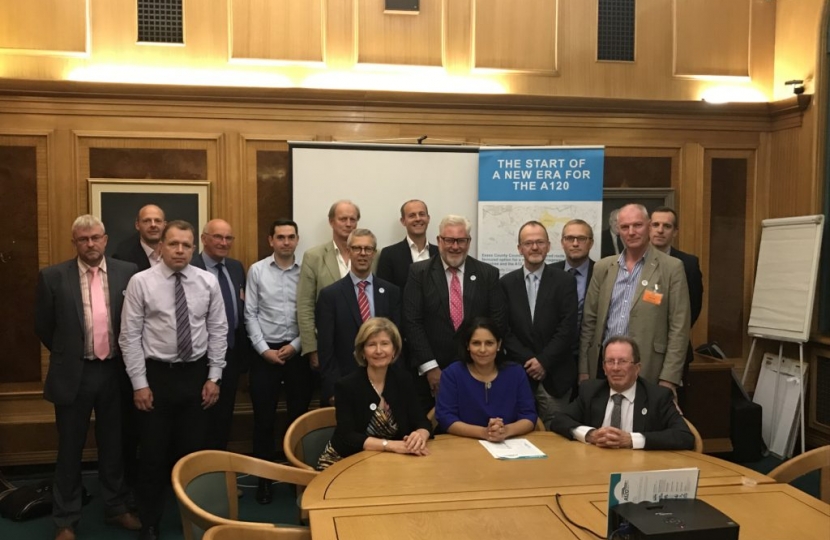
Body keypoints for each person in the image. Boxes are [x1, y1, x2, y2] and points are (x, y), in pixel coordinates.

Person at [119, 220, 227, 540]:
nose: (180, 250)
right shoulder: (141, 282)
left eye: (186, 245)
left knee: (192, 456)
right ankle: (150, 522)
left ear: (194, 248)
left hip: (195, 377)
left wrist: (214, 377)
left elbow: (218, 330)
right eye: (174, 244)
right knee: (152, 456)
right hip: (156, 378)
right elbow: (129, 336)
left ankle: (192, 522)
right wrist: (139, 383)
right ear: (162, 246)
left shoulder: (207, 282)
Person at [35, 215, 141, 540]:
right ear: (75, 243)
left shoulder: (128, 273)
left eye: (96, 237)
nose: (91, 244)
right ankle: (65, 518)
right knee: (70, 448)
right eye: (83, 239)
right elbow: (45, 327)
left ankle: (116, 507)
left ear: (106, 239)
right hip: (74, 374)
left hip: (115, 372)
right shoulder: (52, 277)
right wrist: (72, 354)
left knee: (114, 444)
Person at [579, 204, 690, 392]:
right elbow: (589, 321)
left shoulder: (672, 268)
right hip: (604, 368)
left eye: (637, 225)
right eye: (624, 227)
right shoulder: (603, 267)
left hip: (649, 368)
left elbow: (679, 328)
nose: (631, 232)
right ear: (618, 231)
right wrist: (584, 369)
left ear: (648, 226)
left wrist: (669, 379)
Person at [403, 215, 507, 411]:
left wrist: (479, 365)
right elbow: (412, 321)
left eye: (461, 240)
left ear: (469, 242)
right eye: (449, 240)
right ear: (439, 240)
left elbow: (497, 322)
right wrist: (430, 367)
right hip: (431, 374)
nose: (455, 246)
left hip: (476, 371)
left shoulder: (488, 274)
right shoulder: (419, 273)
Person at [244, 219, 312, 504]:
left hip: (298, 353)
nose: (286, 242)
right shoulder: (257, 271)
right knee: (264, 420)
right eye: (280, 237)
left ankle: (299, 479)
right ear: (271, 240)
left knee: (299, 419)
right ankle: (265, 481)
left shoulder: (307, 272)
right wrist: (264, 350)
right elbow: (250, 313)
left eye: (291, 237)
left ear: (297, 240)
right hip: (265, 355)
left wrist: (296, 346)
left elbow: (312, 310)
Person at [316, 317, 431, 470]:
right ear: (362, 352)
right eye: (371, 345)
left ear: (394, 350)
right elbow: (347, 435)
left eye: (385, 344)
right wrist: (389, 445)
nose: (378, 351)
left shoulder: (404, 380)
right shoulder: (346, 386)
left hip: (389, 462)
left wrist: (420, 435)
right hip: (345, 462)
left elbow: (422, 421)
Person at [548, 336, 694, 450]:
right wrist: (590, 435)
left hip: (640, 470)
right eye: (610, 362)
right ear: (604, 368)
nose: (615, 368)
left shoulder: (657, 396)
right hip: (595, 466)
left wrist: (631, 440)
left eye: (623, 361)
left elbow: (684, 436)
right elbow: (559, 420)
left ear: (637, 368)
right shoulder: (591, 391)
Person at [500, 221, 578, 425]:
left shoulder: (565, 281)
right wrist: (530, 361)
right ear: (519, 248)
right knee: (517, 430)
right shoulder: (506, 283)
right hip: (519, 374)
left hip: (556, 376)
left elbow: (567, 327)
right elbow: (504, 330)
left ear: (549, 246)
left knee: (557, 436)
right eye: (528, 243)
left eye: (540, 242)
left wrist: (543, 361)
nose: (534, 247)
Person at [316, 229, 401, 405]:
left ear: (374, 253)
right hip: (345, 383)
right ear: (348, 252)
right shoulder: (330, 295)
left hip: (385, 382)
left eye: (368, 249)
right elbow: (326, 348)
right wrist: (333, 389)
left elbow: (397, 340)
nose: (363, 254)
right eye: (357, 248)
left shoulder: (391, 292)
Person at [190, 219, 247, 451]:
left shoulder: (235, 267)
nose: (224, 243)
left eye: (228, 238)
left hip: (231, 352)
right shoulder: (191, 267)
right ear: (204, 239)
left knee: (224, 417)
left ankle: (219, 476)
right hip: (199, 355)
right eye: (218, 237)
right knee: (198, 419)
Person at [435, 317, 537, 440]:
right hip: (463, 446)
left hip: (509, 446)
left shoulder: (516, 373)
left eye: (489, 343)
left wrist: (505, 431)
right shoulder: (452, 374)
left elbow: (529, 416)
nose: (483, 350)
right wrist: (484, 432)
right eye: (476, 343)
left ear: (498, 345)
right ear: (467, 345)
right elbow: (445, 418)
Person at [649, 206, 704, 406]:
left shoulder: (688, 263)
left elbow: (693, 308)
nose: (660, 230)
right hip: (641, 351)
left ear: (675, 232)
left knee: (673, 409)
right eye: (655, 225)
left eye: (667, 226)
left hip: (674, 350)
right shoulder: (634, 260)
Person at [297, 200, 360, 371]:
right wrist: (311, 348)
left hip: (365, 344)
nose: (348, 224)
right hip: (329, 344)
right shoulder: (314, 257)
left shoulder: (369, 255)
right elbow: (305, 305)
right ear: (331, 222)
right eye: (343, 219)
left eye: (352, 219)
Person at [376, 199, 438, 290]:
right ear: (403, 221)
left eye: (421, 214)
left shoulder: (440, 253)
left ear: (428, 218)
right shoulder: (389, 254)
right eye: (412, 215)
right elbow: (384, 293)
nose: (418, 219)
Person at [551, 219, 596, 329]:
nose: (575, 244)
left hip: (590, 342)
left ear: (591, 243)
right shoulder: (549, 272)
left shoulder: (601, 273)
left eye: (581, 239)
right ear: (562, 243)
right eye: (570, 238)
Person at [112, 204, 166, 271]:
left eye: (157, 221)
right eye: (147, 221)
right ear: (137, 225)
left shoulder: (175, 252)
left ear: (164, 225)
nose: (153, 225)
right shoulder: (123, 257)